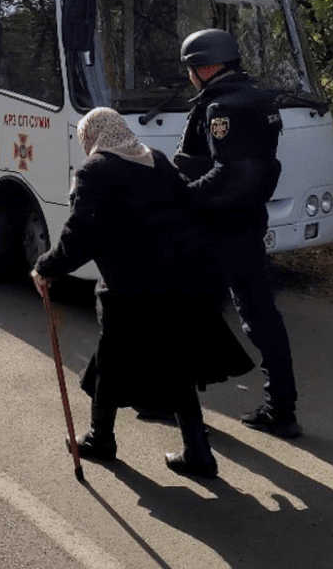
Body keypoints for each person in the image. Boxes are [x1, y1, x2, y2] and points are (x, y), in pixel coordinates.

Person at [31, 107, 253, 479]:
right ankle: (197, 452)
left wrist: (45, 267)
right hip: (181, 280)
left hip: (131, 289)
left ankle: (102, 438)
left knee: (110, 361)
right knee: (175, 364)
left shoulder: (94, 171)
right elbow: (191, 210)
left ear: (93, 136)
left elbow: (80, 235)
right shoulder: (158, 161)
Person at [172, 28, 302, 438]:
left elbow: (232, 173)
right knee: (260, 314)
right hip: (246, 224)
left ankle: (180, 409)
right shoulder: (258, 99)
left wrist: (181, 197)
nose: (189, 76)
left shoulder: (222, 108)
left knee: (184, 313)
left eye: (191, 68)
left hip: (217, 228)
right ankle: (281, 407)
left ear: (205, 67)